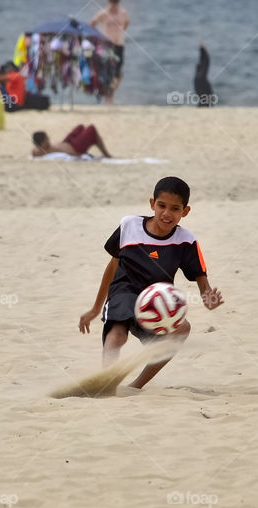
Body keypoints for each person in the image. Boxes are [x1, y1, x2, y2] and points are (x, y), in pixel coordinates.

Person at [78, 177, 224, 389]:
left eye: (175, 208)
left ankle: (136, 386)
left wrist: (208, 298)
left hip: (156, 305)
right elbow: (111, 267)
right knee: (117, 334)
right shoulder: (129, 225)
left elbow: (202, 279)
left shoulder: (186, 241)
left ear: (185, 211)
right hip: (123, 292)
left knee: (183, 328)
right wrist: (95, 308)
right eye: (161, 205)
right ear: (151, 204)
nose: (167, 213)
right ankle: (105, 380)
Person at [90, 0, 130, 106]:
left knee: (118, 74)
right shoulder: (103, 13)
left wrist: (119, 33)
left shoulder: (123, 13)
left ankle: (110, 94)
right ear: (109, 2)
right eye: (112, 2)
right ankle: (108, 99)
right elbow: (92, 23)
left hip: (119, 45)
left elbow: (126, 24)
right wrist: (97, 38)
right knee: (107, 72)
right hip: (106, 45)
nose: (114, 5)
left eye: (116, 2)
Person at [31, 125, 112, 158]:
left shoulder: (41, 148)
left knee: (80, 127)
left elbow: (34, 150)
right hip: (76, 147)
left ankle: (104, 151)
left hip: (68, 142)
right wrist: (79, 155)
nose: (49, 139)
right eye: (46, 139)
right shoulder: (43, 150)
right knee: (92, 129)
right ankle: (106, 154)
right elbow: (69, 154)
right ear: (42, 142)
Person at [194, 42, 215, 107]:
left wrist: (202, 50)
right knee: (204, 100)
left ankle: (204, 104)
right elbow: (206, 61)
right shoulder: (200, 76)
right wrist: (202, 50)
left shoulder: (199, 76)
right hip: (201, 86)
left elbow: (206, 61)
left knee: (204, 100)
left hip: (201, 85)